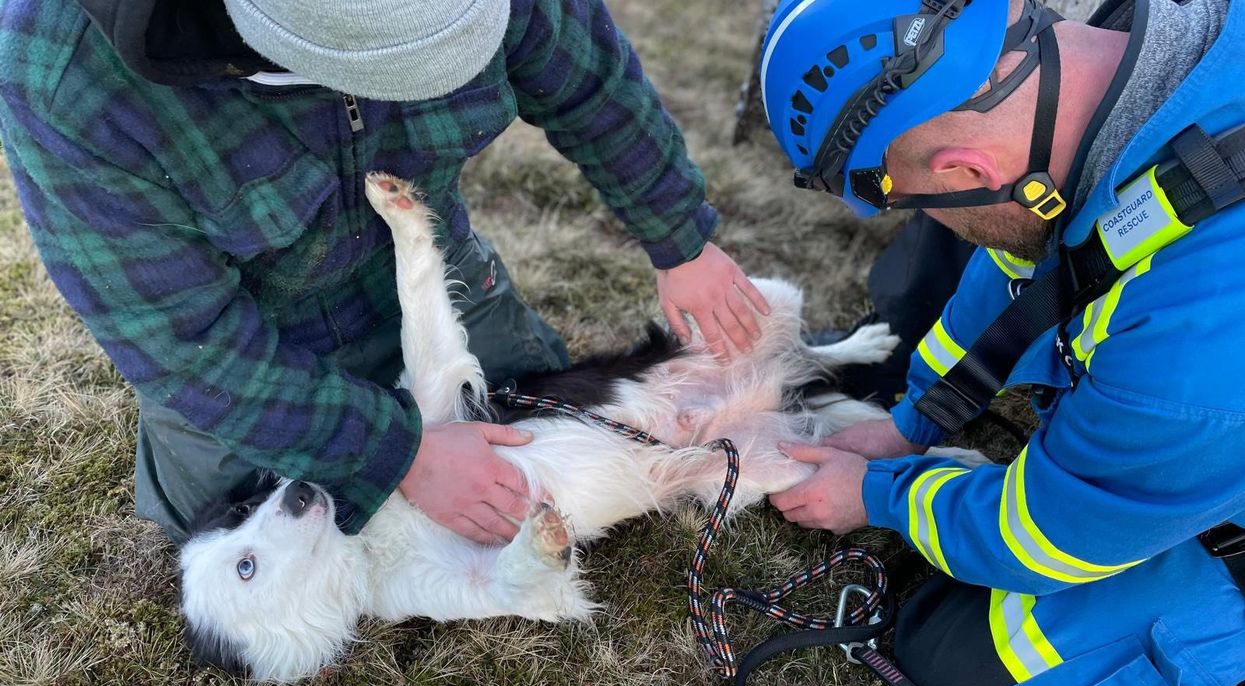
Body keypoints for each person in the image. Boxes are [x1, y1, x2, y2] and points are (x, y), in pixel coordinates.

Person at [0, 0, 770, 545]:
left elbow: (589, 82)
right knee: (277, 543)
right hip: (248, 342)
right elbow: (181, 343)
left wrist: (681, 242)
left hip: (428, 268)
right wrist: (394, 454)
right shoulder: (65, 71)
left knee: (549, 440)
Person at [760, 0, 1245, 686]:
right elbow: (1033, 268)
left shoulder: (1195, 338)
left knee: (952, 652)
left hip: (1200, 428)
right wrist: (913, 422)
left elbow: (1047, 537)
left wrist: (876, 498)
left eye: (913, 199)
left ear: (963, 166)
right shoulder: (1126, 95)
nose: (931, 222)